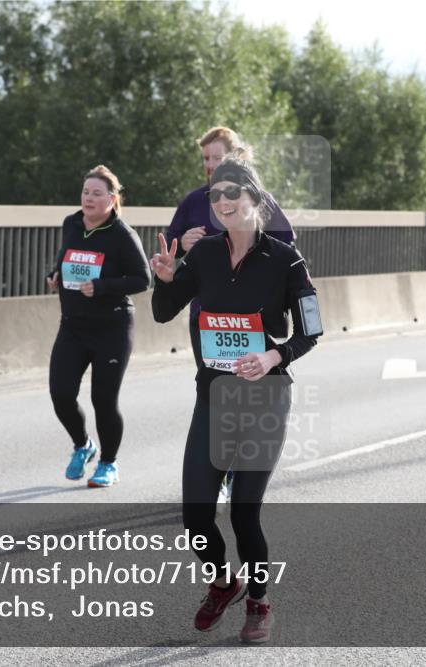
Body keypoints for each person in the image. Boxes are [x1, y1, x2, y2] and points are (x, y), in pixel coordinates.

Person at [151, 156, 322, 644]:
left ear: (255, 199)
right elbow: (165, 313)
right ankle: (224, 582)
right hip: (214, 395)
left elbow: (312, 329)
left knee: (245, 512)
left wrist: (274, 356)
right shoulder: (203, 254)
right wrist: (164, 280)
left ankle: (259, 601)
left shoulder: (285, 259)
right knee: (196, 514)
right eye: (216, 195)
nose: (223, 201)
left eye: (233, 193)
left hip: (266, 397)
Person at [164, 127, 296, 505]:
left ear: (235, 158)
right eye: (205, 159)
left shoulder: (259, 200)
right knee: (216, 392)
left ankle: (239, 470)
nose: (210, 166)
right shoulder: (195, 201)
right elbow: (170, 248)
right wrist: (185, 246)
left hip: (251, 320)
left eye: (217, 158)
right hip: (205, 318)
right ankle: (217, 475)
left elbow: (286, 242)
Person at [46, 166, 151, 487]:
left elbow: (142, 279)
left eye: (96, 193)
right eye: (85, 192)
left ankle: (108, 463)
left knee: (103, 399)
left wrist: (102, 286)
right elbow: (67, 258)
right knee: (61, 394)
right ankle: (83, 445)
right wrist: (54, 276)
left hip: (112, 328)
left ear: (112, 199)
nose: (88, 198)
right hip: (73, 326)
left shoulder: (122, 235)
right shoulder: (72, 223)